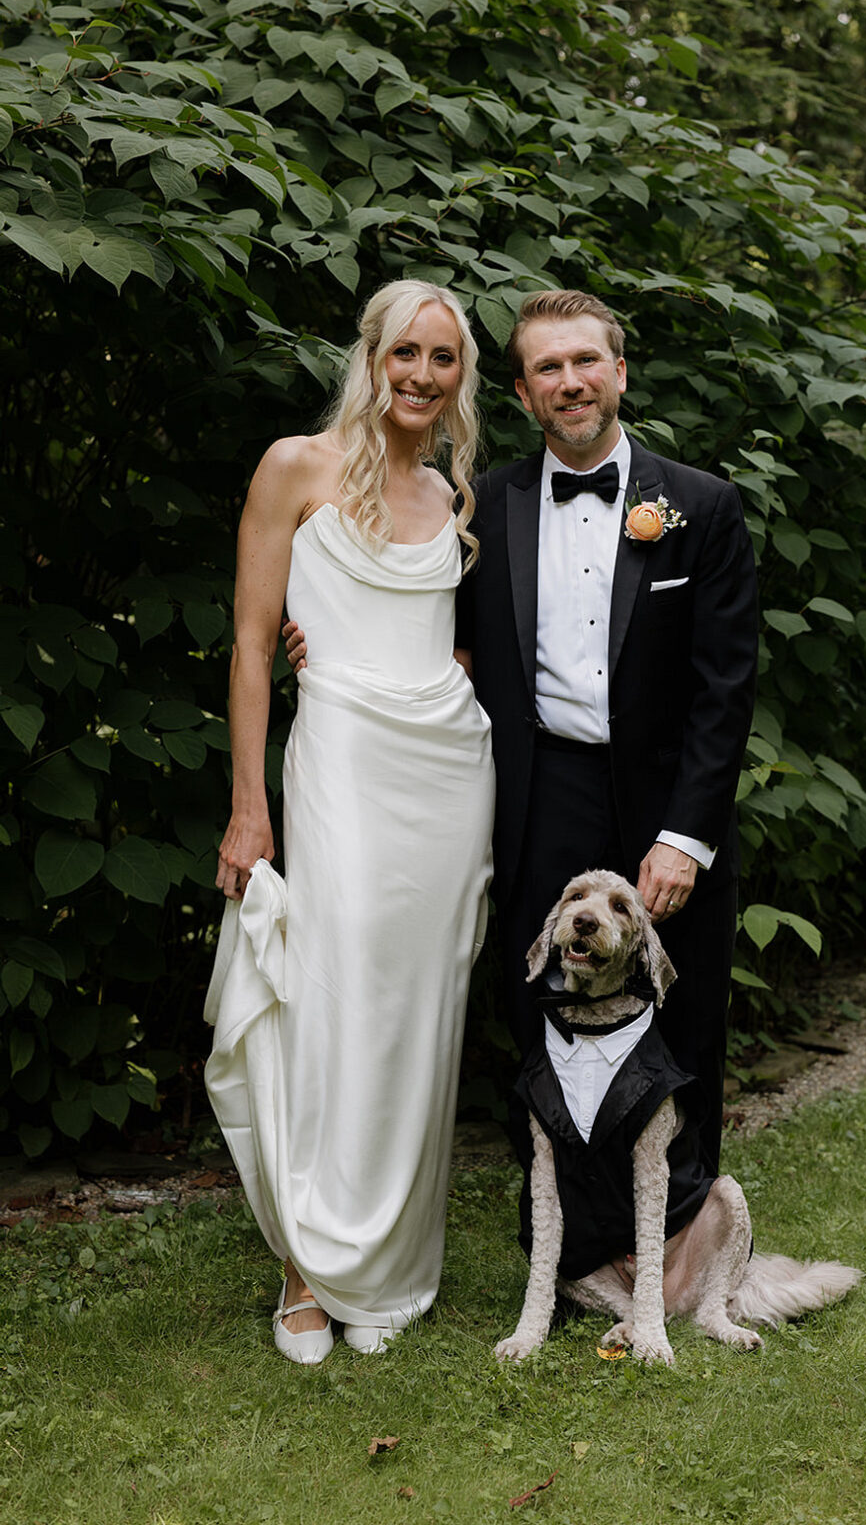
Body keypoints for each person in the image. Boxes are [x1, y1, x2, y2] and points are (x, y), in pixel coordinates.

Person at [286, 288, 758, 1177]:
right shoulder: (483, 505)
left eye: (586, 362)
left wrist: (684, 839)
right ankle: (573, 1247)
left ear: (618, 372)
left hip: (667, 803)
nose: (570, 382)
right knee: (545, 1019)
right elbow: (428, 630)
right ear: (520, 392)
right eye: (548, 367)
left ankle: (682, 1247)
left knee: (682, 1020)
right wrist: (317, 630)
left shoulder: (704, 507)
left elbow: (724, 692)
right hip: (540, 795)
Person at [204, 279, 494, 1365]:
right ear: (369, 357)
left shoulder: (458, 494)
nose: (421, 375)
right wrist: (249, 805)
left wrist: (454, 664)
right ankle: (306, 1269)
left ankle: (387, 1266)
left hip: (448, 775)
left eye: (444, 359)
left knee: (420, 1015)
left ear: (461, 377)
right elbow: (247, 645)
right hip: (337, 763)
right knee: (332, 1002)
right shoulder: (294, 467)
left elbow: (464, 635)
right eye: (404, 353)